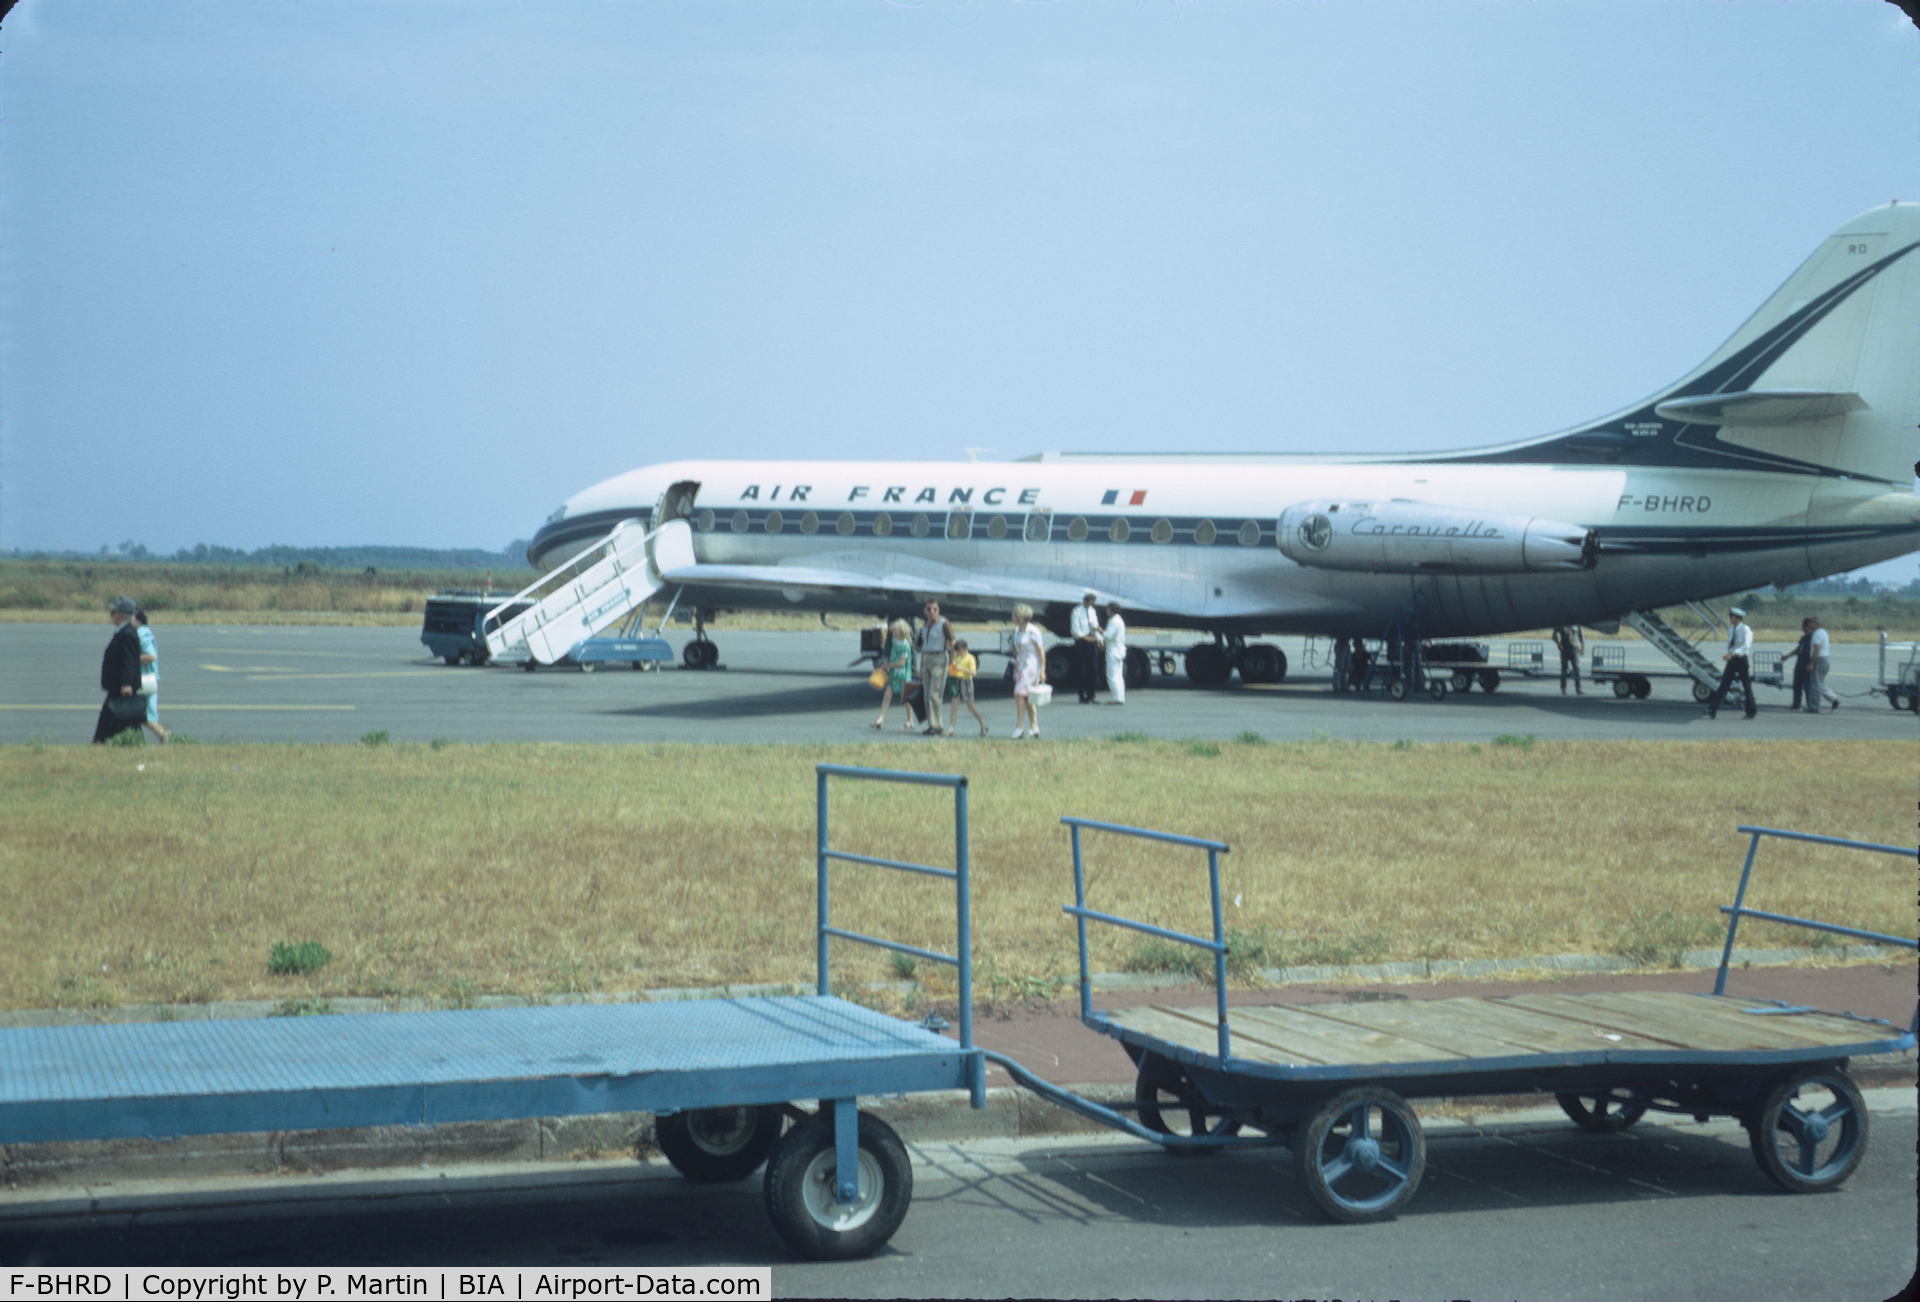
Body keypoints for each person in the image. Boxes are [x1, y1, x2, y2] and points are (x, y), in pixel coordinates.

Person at [93, 596, 145, 743]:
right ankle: (105, 741)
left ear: (120, 615)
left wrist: (126, 683)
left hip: (121, 686)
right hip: (116, 685)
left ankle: (101, 741)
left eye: (113, 613)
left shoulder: (127, 633)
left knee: (118, 716)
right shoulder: (122, 632)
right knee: (123, 718)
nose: (112, 616)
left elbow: (129, 661)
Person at [1705, 607, 1756, 720]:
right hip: (1732, 660)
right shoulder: (1731, 630)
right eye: (1730, 616)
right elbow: (1731, 645)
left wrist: (1733, 654)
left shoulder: (1745, 629)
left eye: (1732, 617)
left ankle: (1751, 710)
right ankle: (1712, 709)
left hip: (1741, 659)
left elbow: (1746, 646)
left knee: (1746, 686)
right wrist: (1729, 655)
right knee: (1724, 685)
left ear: (1738, 618)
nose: (1730, 619)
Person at [915, 600, 953, 736]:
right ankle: (932, 725)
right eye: (929, 609)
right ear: (925, 611)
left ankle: (938, 725)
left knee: (934, 693)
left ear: (939, 610)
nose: (932, 612)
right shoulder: (924, 627)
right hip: (927, 658)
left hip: (939, 657)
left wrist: (952, 662)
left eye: (935, 609)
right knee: (926, 694)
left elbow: (951, 641)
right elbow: (921, 646)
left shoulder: (944, 624)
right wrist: (921, 666)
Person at [870, 618, 916, 730]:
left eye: (896, 630)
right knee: (887, 696)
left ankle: (910, 720)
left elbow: (901, 663)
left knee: (905, 699)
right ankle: (880, 719)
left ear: (902, 631)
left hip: (903, 675)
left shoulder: (905, 645)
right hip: (894, 674)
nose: (893, 632)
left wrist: (888, 665)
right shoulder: (895, 641)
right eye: (893, 630)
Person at [1009, 603, 1046, 739]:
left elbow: (1040, 652)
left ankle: (1019, 727)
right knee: (1028, 697)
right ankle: (1034, 726)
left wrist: (1042, 670)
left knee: (1019, 694)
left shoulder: (1033, 631)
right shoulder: (1018, 631)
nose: (1012, 618)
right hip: (1020, 665)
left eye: (1014, 615)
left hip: (1031, 666)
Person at [134, 609, 170, 744]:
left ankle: (163, 736)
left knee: (144, 714)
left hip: (144, 679)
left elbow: (151, 656)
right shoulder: (142, 632)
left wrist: (131, 658)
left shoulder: (141, 633)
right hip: (145, 678)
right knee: (140, 713)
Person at [945, 638, 988, 736]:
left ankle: (982, 725)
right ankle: (951, 728)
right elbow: (952, 669)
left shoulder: (970, 658)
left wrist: (961, 668)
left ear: (965, 649)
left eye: (959, 650)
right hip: (957, 681)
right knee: (954, 706)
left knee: (970, 707)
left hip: (966, 682)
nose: (958, 653)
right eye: (957, 651)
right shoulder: (958, 658)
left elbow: (973, 672)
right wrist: (950, 669)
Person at [1070, 591, 1102, 703]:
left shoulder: (1092, 611)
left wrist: (1099, 639)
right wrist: (1085, 637)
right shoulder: (1077, 611)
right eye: (1089, 602)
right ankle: (1081, 695)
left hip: (1092, 640)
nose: (1090, 605)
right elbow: (1075, 629)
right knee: (1082, 669)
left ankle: (1091, 695)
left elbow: (1095, 625)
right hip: (1082, 641)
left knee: (1093, 669)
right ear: (1085, 601)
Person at [1804, 615, 1840, 713]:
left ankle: (1814, 707)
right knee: (1819, 683)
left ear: (1815, 624)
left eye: (1810, 623)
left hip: (1819, 661)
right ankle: (1834, 699)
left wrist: (1811, 663)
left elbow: (1817, 650)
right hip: (1824, 660)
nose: (1809, 625)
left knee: (1815, 685)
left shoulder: (1817, 634)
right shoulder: (1823, 632)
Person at [1781, 617, 1815, 710]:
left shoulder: (1813, 637)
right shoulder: (1804, 638)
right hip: (1800, 663)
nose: (1804, 629)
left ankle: (1810, 704)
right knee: (1797, 684)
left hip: (1807, 663)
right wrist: (1788, 655)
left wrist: (1811, 663)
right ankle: (1796, 703)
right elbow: (1798, 649)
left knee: (1808, 685)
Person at [1103, 604, 1128, 704]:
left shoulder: (1114, 621)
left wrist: (1100, 631)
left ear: (1112, 611)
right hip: (1119, 649)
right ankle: (1120, 697)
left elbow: (1109, 636)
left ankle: (1116, 698)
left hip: (1113, 650)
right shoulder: (1119, 620)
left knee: (1112, 675)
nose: (1106, 611)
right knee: (1119, 675)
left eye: (1108, 609)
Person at [1552, 625, 1584, 695]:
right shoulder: (1562, 623)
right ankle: (1563, 688)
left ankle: (1578, 689)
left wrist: (1582, 648)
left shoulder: (1577, 624)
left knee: (1576, 669)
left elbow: (1581, 636)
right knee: (1564, 670)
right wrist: (1558, 643)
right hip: (1564, 649)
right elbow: (1554, 635)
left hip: (1575, 649)